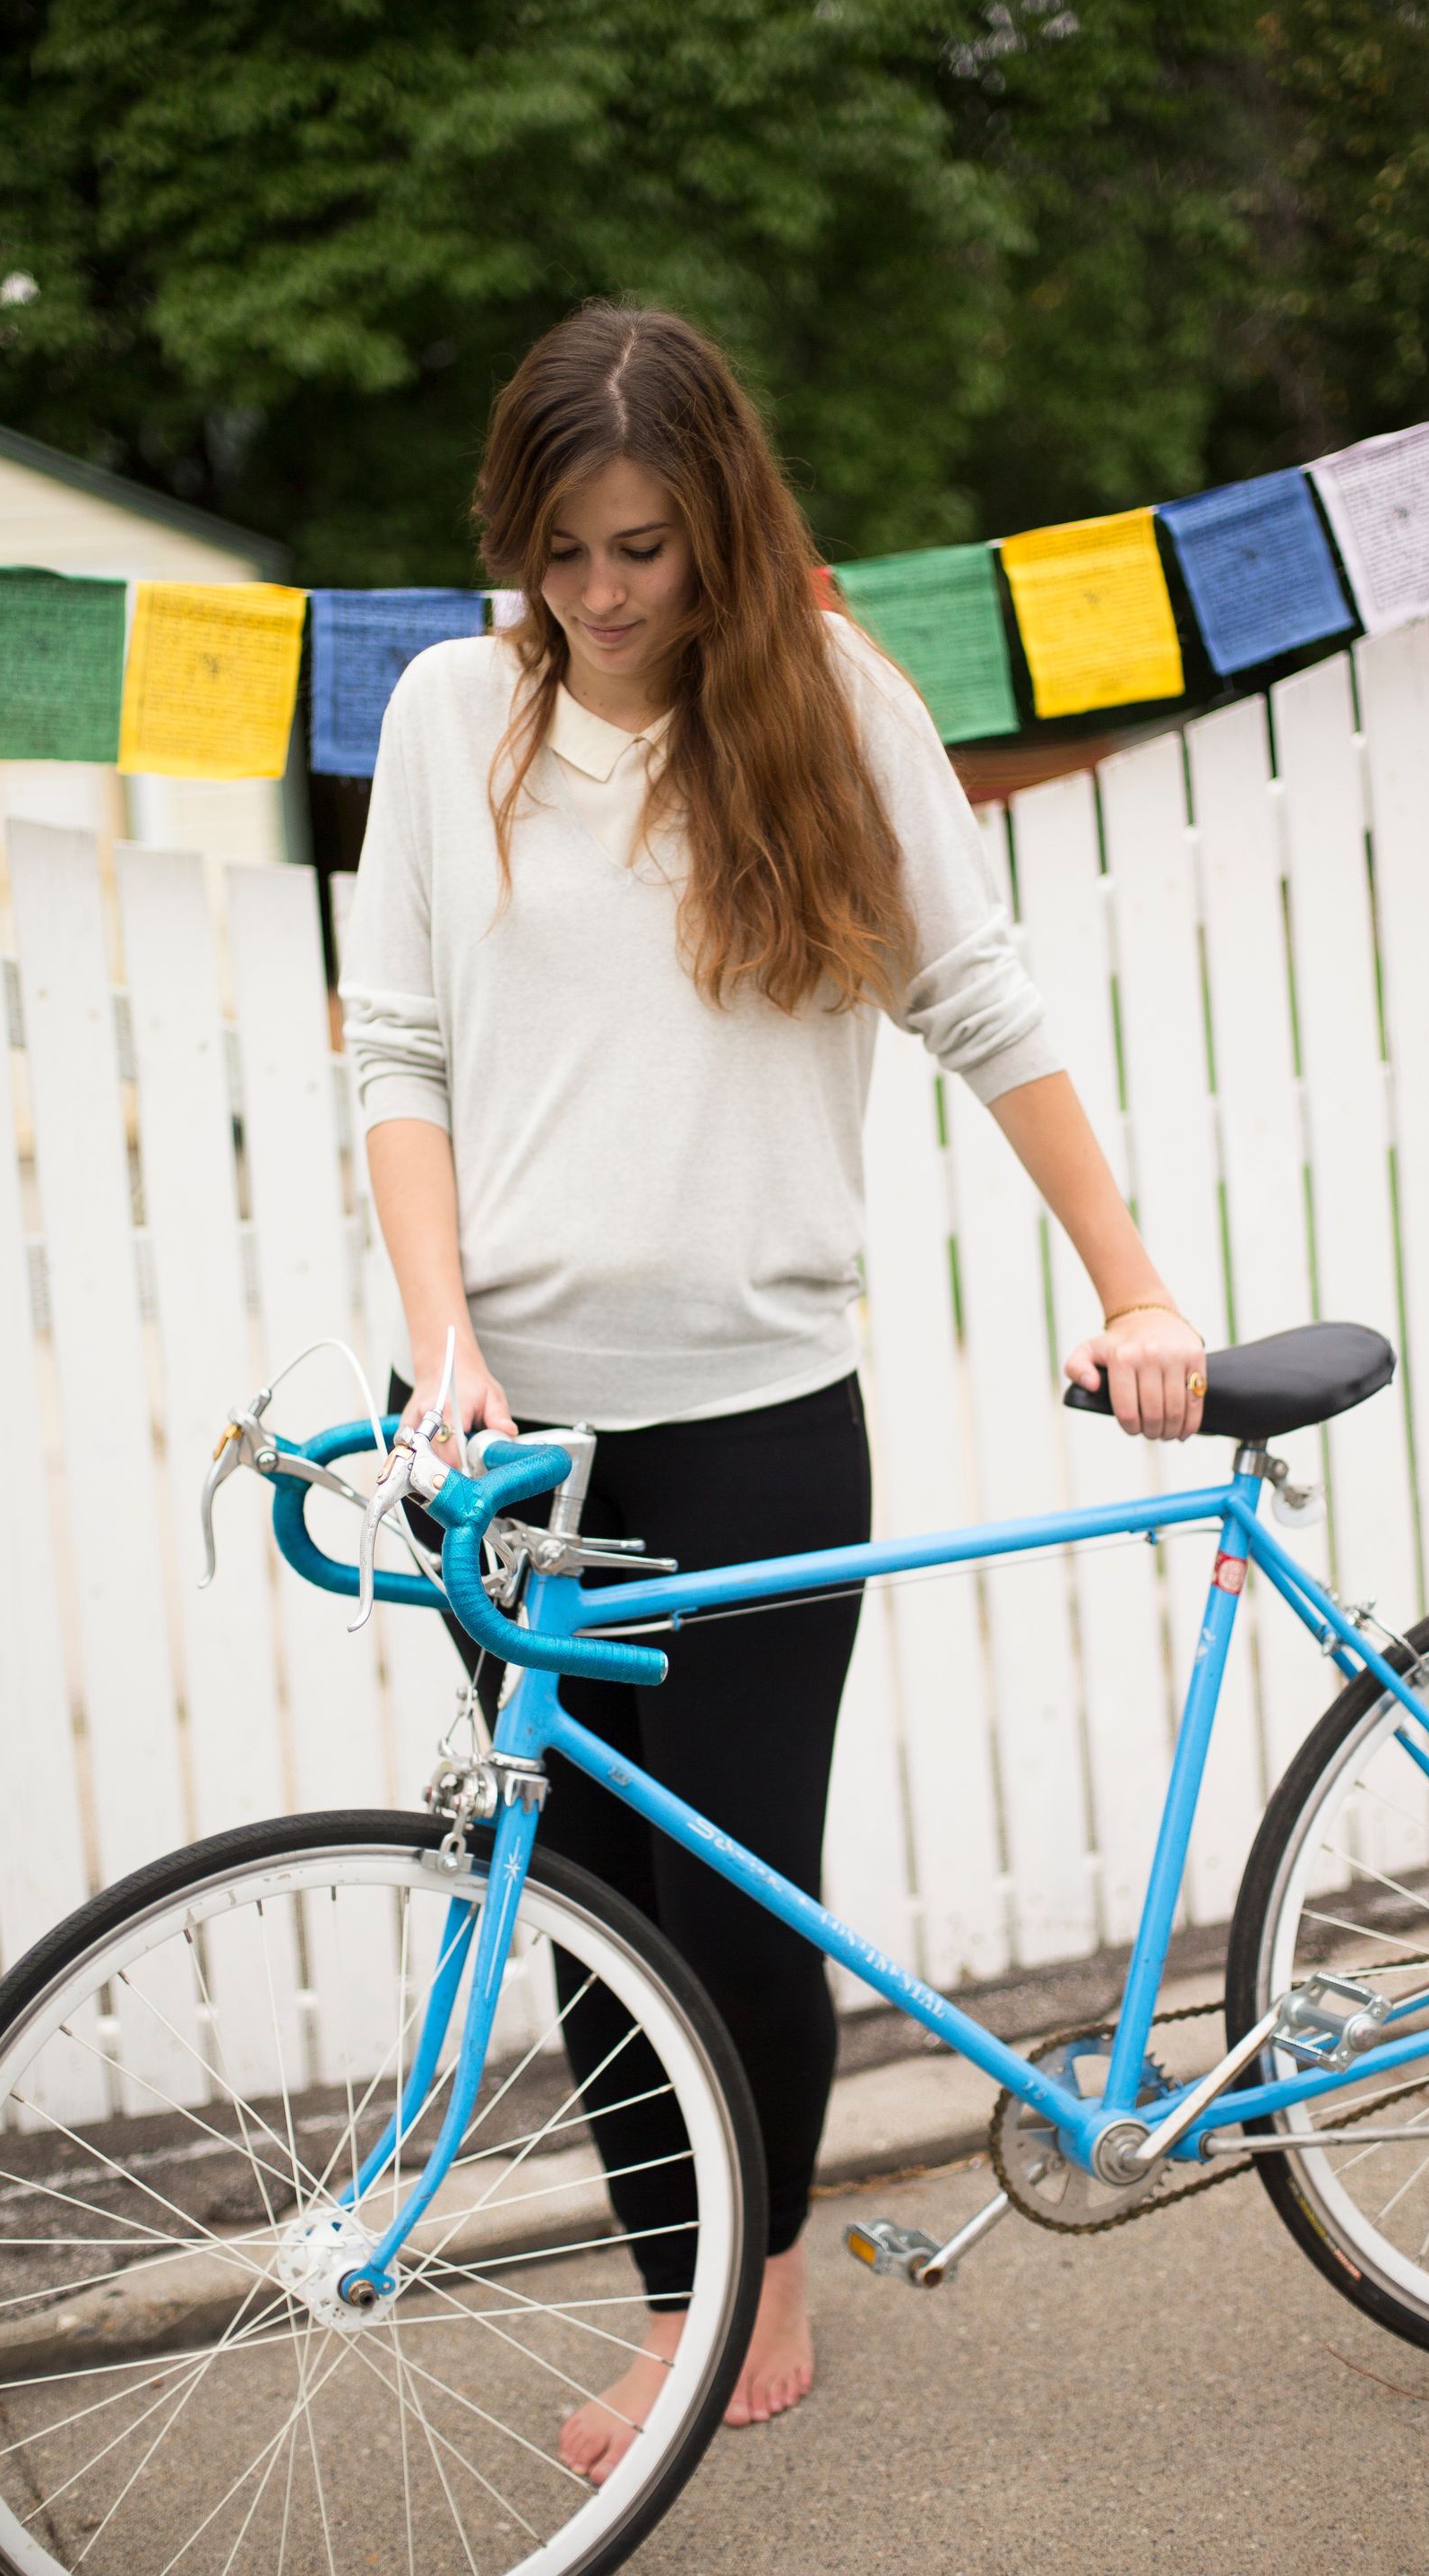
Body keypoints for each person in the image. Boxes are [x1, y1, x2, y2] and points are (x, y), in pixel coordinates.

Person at [337, 300, 1206, 2483]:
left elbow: (979, 1001)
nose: (606, 599)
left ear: (721, 522)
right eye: (565, 553)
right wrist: (442, 1344)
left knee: (732, 1889)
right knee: (585, 1885)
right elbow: (399, 1054)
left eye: (646, 548)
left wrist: (1137, 1285)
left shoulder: (831, 707)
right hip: (514, 1428)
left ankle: (766, 2276)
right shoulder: (455, 714)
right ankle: (677, 2295)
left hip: (756, 1414)